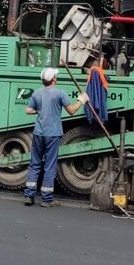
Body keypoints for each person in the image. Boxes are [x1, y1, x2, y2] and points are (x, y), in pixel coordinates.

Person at [23, 67, 88, 207]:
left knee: (34, 164)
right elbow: (71, 111)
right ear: (53, 79)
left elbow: (28, 110)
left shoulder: (37, 93)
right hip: (53, 134)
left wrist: (39, 110)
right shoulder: (60, 93)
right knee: (49, 166)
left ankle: (29, 196)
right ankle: (46, 199)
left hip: (38, 133)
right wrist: (81, 100)